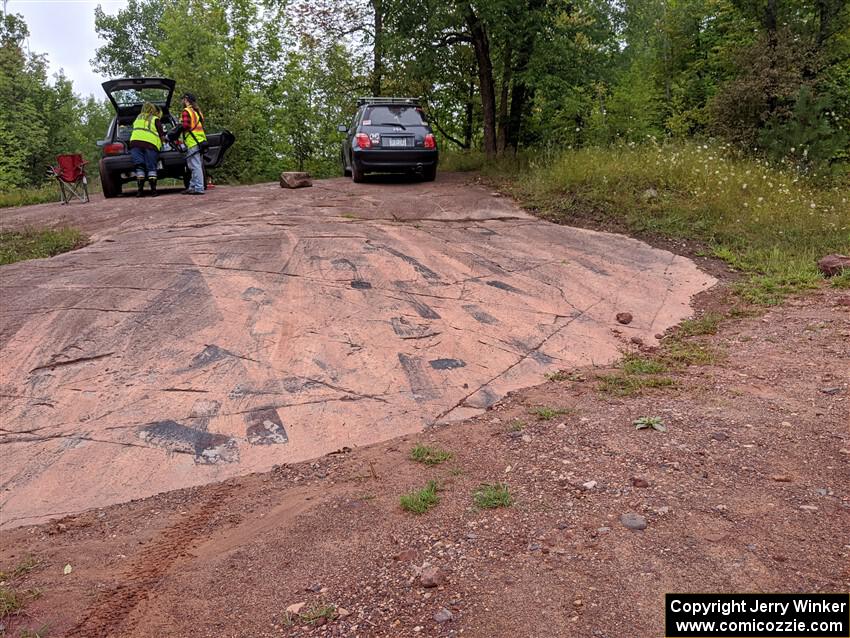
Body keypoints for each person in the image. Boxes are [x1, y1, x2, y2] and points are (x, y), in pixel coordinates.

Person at [168, 92, 208, 195]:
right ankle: (192, 187)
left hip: (193, 141)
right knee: (193, 165)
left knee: (195, 165)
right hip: (200, 140)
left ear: (186, 100)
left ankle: (198, 188)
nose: (182, 101)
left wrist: (176, 130)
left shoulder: (187, 111)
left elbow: (186, 126)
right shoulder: (197, 111)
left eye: (183, 99)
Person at [128, 102, 165, 197]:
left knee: (139, 167)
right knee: (151, 168)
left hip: (135, 144)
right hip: (150, 145)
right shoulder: (155, 119)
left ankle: (140, 191)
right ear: (153, 109)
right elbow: (161, 135)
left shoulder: (137, 118)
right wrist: (163, 144)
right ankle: (153, 191)